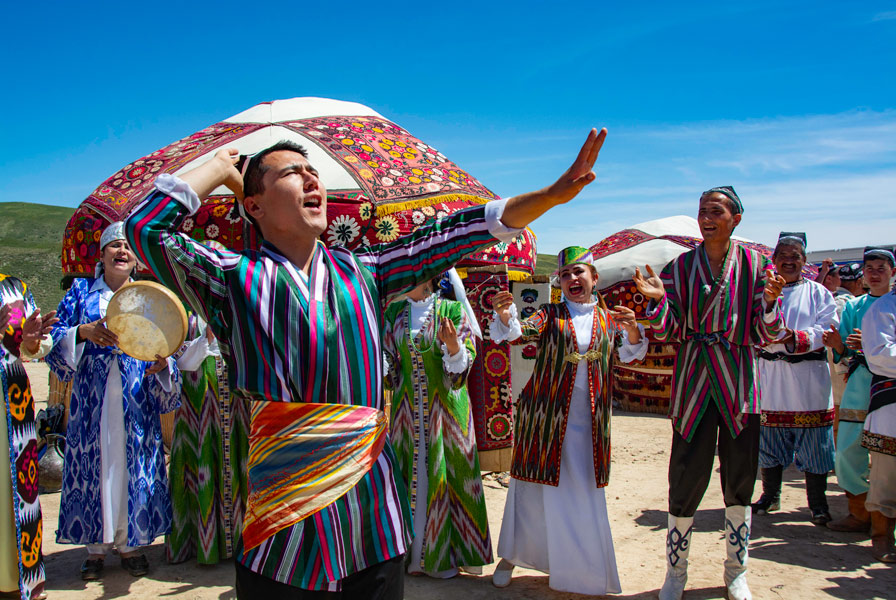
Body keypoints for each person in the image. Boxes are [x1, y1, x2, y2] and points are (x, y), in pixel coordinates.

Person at [124, 128, 608, 599]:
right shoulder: (232, 278)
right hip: (282, 514)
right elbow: (145, 228)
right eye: (294, 173)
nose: (314, 181)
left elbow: (451, 235)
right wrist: (219, 166)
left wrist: (548, 195)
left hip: (371, 512)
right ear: (254, 206)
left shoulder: (365, 271)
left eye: (316, 173)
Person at [632, 186, 785, 600]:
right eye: (702, 210)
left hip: (739, 385)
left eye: (716, 210)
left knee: (740, 480)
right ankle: (676, 573)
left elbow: (767, 333)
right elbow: (668, 331)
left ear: (736, 218)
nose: (706, 217)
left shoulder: (757, 266)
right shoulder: (680, 268)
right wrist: (658, 302)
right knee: (684, 478)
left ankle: (736, 572)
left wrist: (771, 302)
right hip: (694, 384)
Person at [488, 246, 647, 595]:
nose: (573, 279)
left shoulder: (610, 320)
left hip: (589, 421)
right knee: (531, 488)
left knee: (582, 488)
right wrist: (504, 316)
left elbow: (631, 352)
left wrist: (633, 329)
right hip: (545, 416)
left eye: (579, 272)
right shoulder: (549, 314)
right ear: (559, 282)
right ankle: (513, 556)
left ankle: (580, 563)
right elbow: (517, 332)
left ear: (594, 278)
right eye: (566, 274)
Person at [45, 222, 181, 581]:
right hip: (93, 401)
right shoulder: (80, 293)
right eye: (114, 245)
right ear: (102, 255)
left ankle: (131, 545)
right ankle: (95, 549)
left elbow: (166, 343)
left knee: (132, 466)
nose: (122, 251)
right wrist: (83, 332)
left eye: (127, 247)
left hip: (136, 401)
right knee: (95, 466)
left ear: (136, 260)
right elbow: (57, 337)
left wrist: (164, 362)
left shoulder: (151, 297)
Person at [383, 269, 491, 578]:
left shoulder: (452, 310)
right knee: (407, 478)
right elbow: (389, 362)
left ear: (428, 276)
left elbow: (463, 364)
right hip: (406, 413)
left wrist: (454, 347)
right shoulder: (394, 312)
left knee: (449, 476)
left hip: (446, 409)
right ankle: (413, 556)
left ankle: (445, 557)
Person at [751, 232, 838, 525]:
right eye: (783, 256)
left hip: (808, 377)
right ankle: (770, 495)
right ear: (774, 260)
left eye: (795, 257)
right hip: (771, 376)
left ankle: (818, 503)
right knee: (770, 441)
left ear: (804, 261)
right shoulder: (761, 292)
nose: (788, 261)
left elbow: (827, 328)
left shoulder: (819, 293)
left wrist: (795, 337)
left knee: (816, 444)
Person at [824, 247, 896, 534]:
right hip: (861, 381)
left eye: (881, 268)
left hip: (893, 385)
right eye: (870, 269)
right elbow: (842, 349)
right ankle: (859, 510)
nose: (875, 273)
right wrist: (841, 344)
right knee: (847, 449)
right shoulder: (855, 306)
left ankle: (885, 513)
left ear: (893, 272)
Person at [167, 311, 249, 565]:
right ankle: (201, 543)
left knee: (239, 463)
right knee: (200, 462)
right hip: (197, 399)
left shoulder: (239, 305)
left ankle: (243, 543)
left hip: (235, 399)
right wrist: (204, 340)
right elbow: (175, 360)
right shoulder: (182, 311)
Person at [0, 275, 57, 600]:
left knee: (16, 493)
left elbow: (34, 347)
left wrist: (33, 342)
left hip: (14, 397)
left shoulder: (14, 288)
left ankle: (16, 581)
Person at [860, 250, 896, 563]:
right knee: (888, 475)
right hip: (892, 405)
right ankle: (882, 535)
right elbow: (879, 354)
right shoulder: (886, 307)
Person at [830, 262, 865, 436]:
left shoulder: (829, 300)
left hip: (830, 370)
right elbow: (847, 340)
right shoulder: (854, 305)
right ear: (859, 282)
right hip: (845, 370)